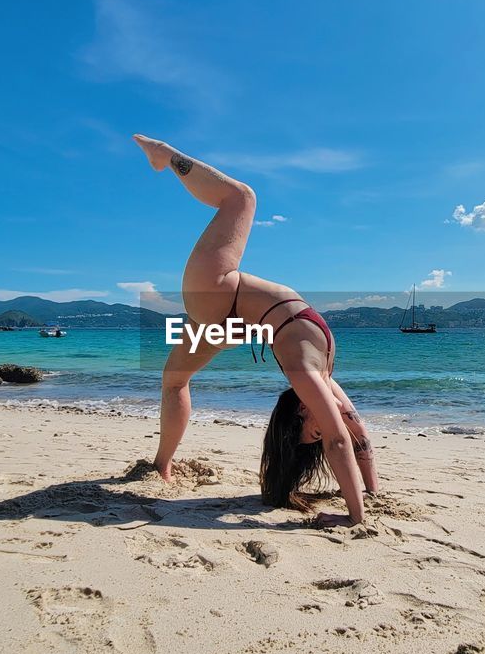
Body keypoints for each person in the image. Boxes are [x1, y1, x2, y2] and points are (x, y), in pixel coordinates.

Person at [133, 134, 379, 527]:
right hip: (233, 319)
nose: (320, 432)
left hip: (217, 297)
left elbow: (337, 439)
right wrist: (368, 496)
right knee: (173, 380)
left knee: (242, 199)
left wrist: (355, 517)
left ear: (300, 413)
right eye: (315, 437)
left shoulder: (304, 371)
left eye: (309, 435)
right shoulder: (318, 376)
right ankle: (161, 467)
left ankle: (165, 156)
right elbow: (354, 431)